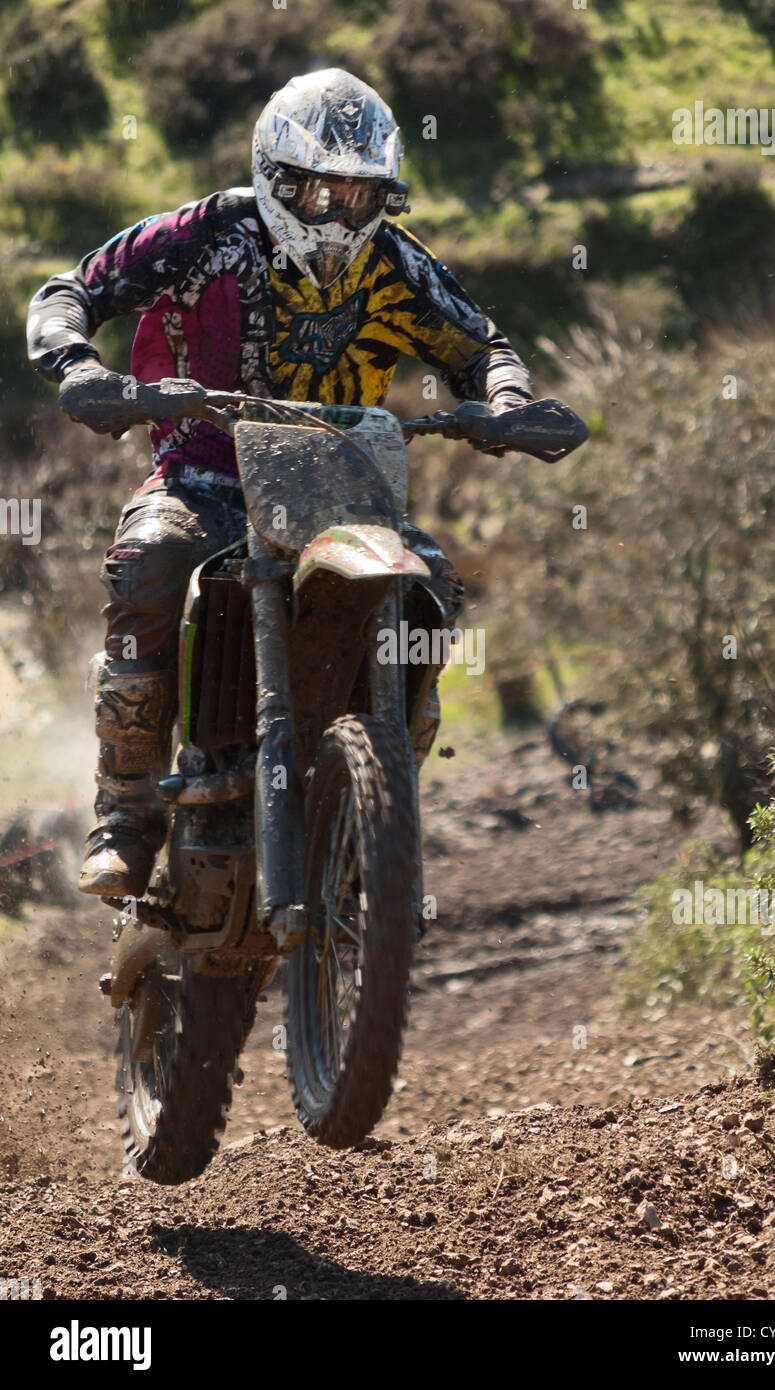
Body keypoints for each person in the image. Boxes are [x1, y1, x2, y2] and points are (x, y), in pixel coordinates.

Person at [26, 68, 542, 900]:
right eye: (320, 194)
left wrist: (507, 404)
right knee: (148, 562)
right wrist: (79, 367)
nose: (340, 216)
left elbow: (483, 349)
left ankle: (379, 804)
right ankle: (125, 816)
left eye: (360, 196)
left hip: (346, 494)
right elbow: (70, 292)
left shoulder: (398, 266)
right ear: (276, 180)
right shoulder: (208, 234)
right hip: (203, 476)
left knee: (431, 585)